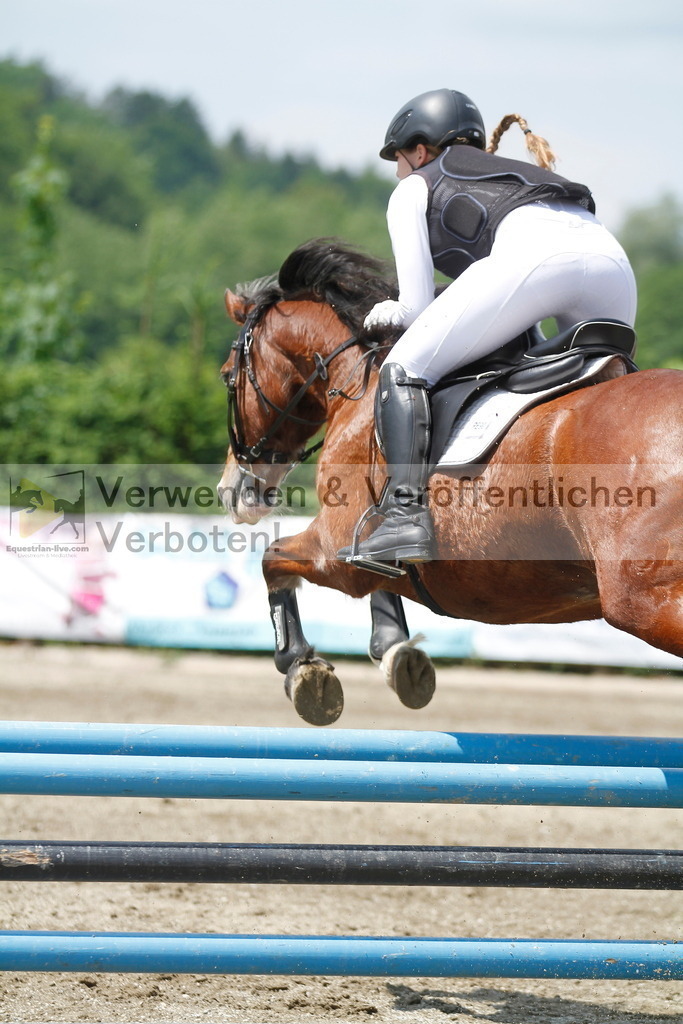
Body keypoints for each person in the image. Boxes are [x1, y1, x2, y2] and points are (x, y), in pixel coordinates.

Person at [338, 88, 637, 567]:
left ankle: (403, 518)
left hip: (542, 260)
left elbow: (413, 308)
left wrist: (383, 313)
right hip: (612, 264)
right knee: (603, 386)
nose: (397, 171)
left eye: (398, 158)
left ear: (419, 150)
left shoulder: (414, 186)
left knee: (403, 367)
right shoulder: (513, 174)